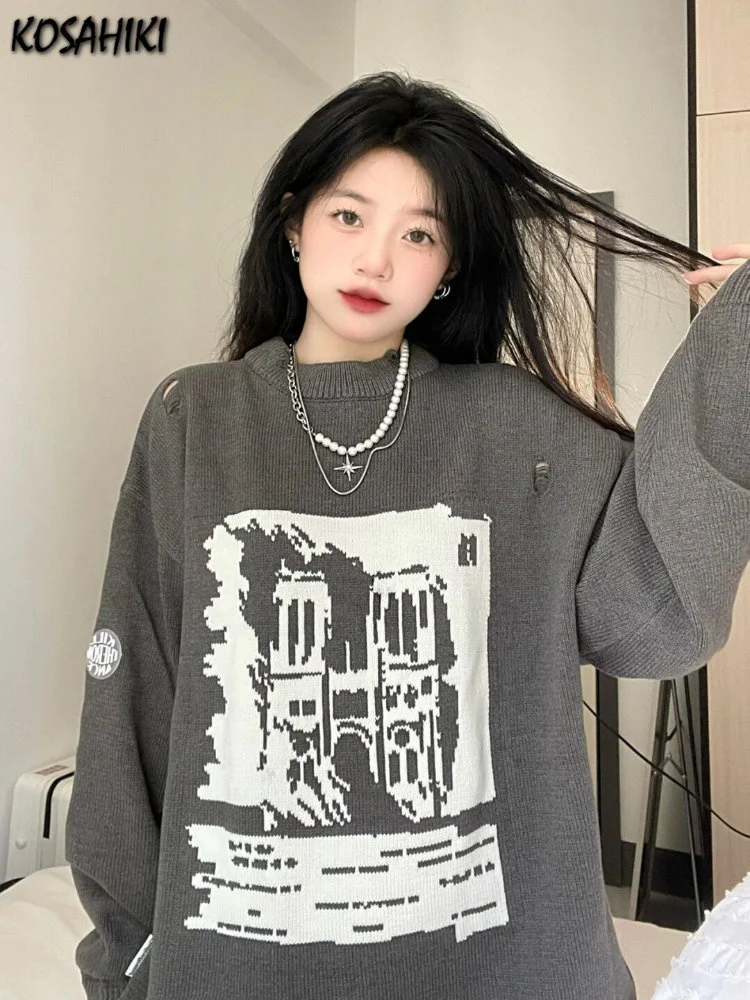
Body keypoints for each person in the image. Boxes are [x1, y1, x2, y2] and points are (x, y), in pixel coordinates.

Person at [65, 70, 750, 1000]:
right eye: (350, 216)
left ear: (449, 267)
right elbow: (134, 707)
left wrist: (737, 350)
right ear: (293, 223)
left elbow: (657, 616)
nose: (377, 260)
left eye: (419, 234)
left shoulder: (519, 424)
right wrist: (125, 962)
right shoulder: (195, 419)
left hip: (504, 968)